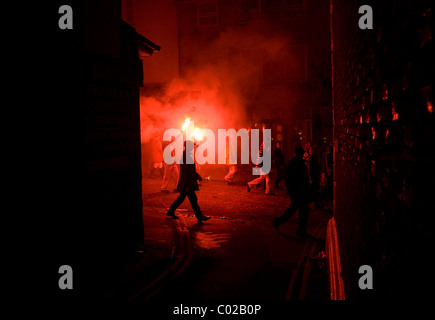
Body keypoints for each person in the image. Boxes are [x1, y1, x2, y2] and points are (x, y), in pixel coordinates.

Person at [166, 140, 211, 222]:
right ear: (188, 147)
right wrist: (197, 176)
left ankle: (171, 211)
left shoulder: (186, 155)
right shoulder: (186, 156)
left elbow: (188, 169)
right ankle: (199, 216)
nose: (192, 148)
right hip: (187, 182)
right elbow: (188, 170)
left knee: (184, 198)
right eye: (192, 146)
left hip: (186, 182)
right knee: (193, 199)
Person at [272, 147, 310, 236]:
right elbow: (302, 178)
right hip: (299, 190)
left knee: (297, 208)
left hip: (295, 190)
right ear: (301, 154)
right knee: (300, 209)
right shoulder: (299, 164)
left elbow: (287, 176)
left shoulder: (292, 163)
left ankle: (280, 222)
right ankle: (299, 229)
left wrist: (289, 188)